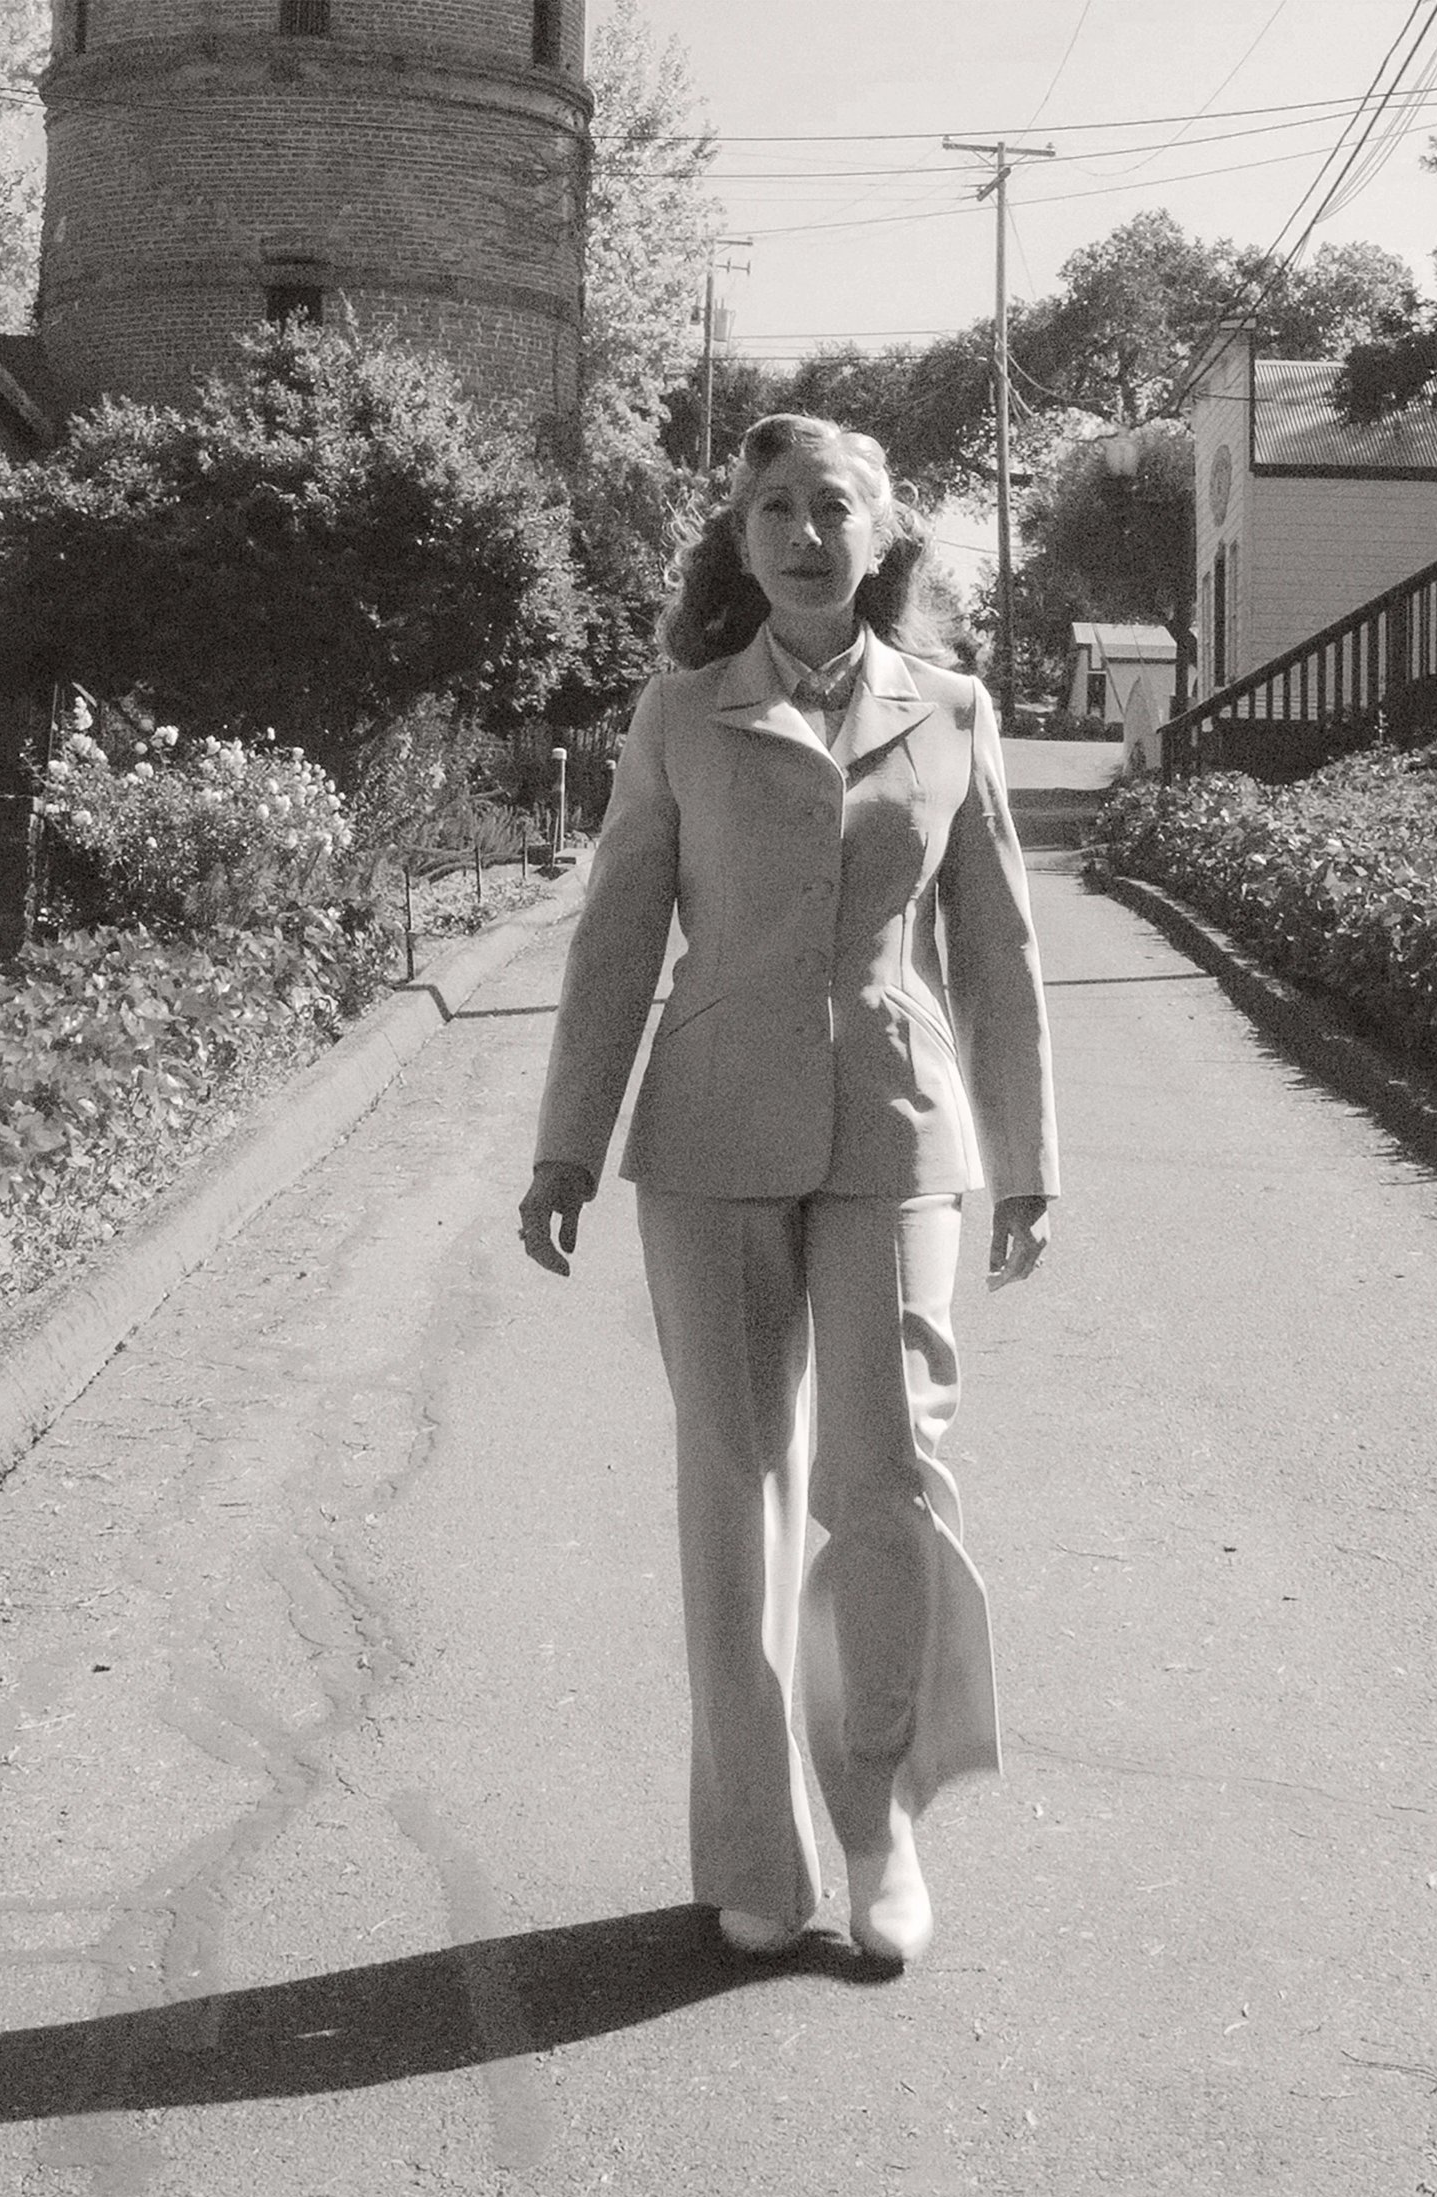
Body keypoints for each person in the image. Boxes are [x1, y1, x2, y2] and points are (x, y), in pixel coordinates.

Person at [519, 413, 1057, 1969]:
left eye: (835, 508)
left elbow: (997, 946)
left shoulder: (952, 709)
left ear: (883, 537)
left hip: (897, 1134)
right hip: (707, 1143)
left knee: (886, 1485)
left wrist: (1026, 1158)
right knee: (734, 1491)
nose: (807, 535)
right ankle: (756, 1847)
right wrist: (567, 1143)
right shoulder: (681, 713)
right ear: (741, 538)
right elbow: (618, 935)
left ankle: (879, 1821)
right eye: (777, 509)